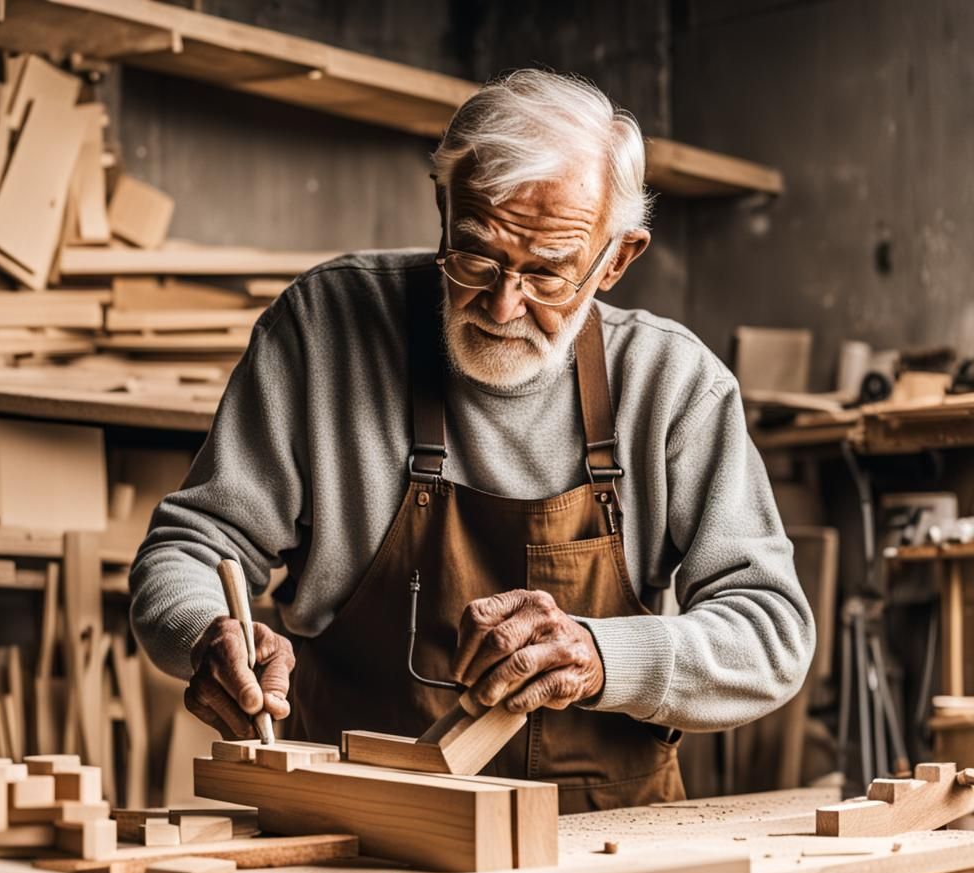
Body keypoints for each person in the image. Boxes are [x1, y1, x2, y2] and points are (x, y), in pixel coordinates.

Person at [130, 69, 815, 812]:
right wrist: (206, 634)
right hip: (359, 826)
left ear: (616, 259)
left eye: (548, 273)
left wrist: (600, 654)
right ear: (442, 206)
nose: (501, 303)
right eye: (474, 255)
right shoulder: (325, 330)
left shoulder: (674, 386)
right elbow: (188, 550)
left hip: (606, 843)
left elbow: (771, 634)